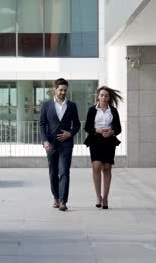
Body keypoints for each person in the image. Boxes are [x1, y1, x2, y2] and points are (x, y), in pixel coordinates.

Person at [40, 78, 81, 211]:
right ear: (55, 90)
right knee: (53, 173)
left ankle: (63, 201)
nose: (63, 92)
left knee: (64, 172)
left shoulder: (72, 106)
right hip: (51, 145)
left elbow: (77, 125)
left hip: (66, 145)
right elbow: (42, 124)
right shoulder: (46, 106)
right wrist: (45, 141)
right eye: (61, 90)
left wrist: (70, 134)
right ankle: (56, 197)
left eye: (65, 90)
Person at [84, 86, 122, 210]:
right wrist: (97, 130)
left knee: (107, 168)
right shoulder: (92, 110)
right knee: (96, 166)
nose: (104, 97)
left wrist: (111, 132)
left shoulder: (113, 111)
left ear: (109, 97)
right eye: (102, 95)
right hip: (95, 139)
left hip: (108, 141)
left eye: (106, 95)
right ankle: (97, 197)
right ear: (98, 97)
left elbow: (118, 129)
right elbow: (87, 127)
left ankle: (105, 198)